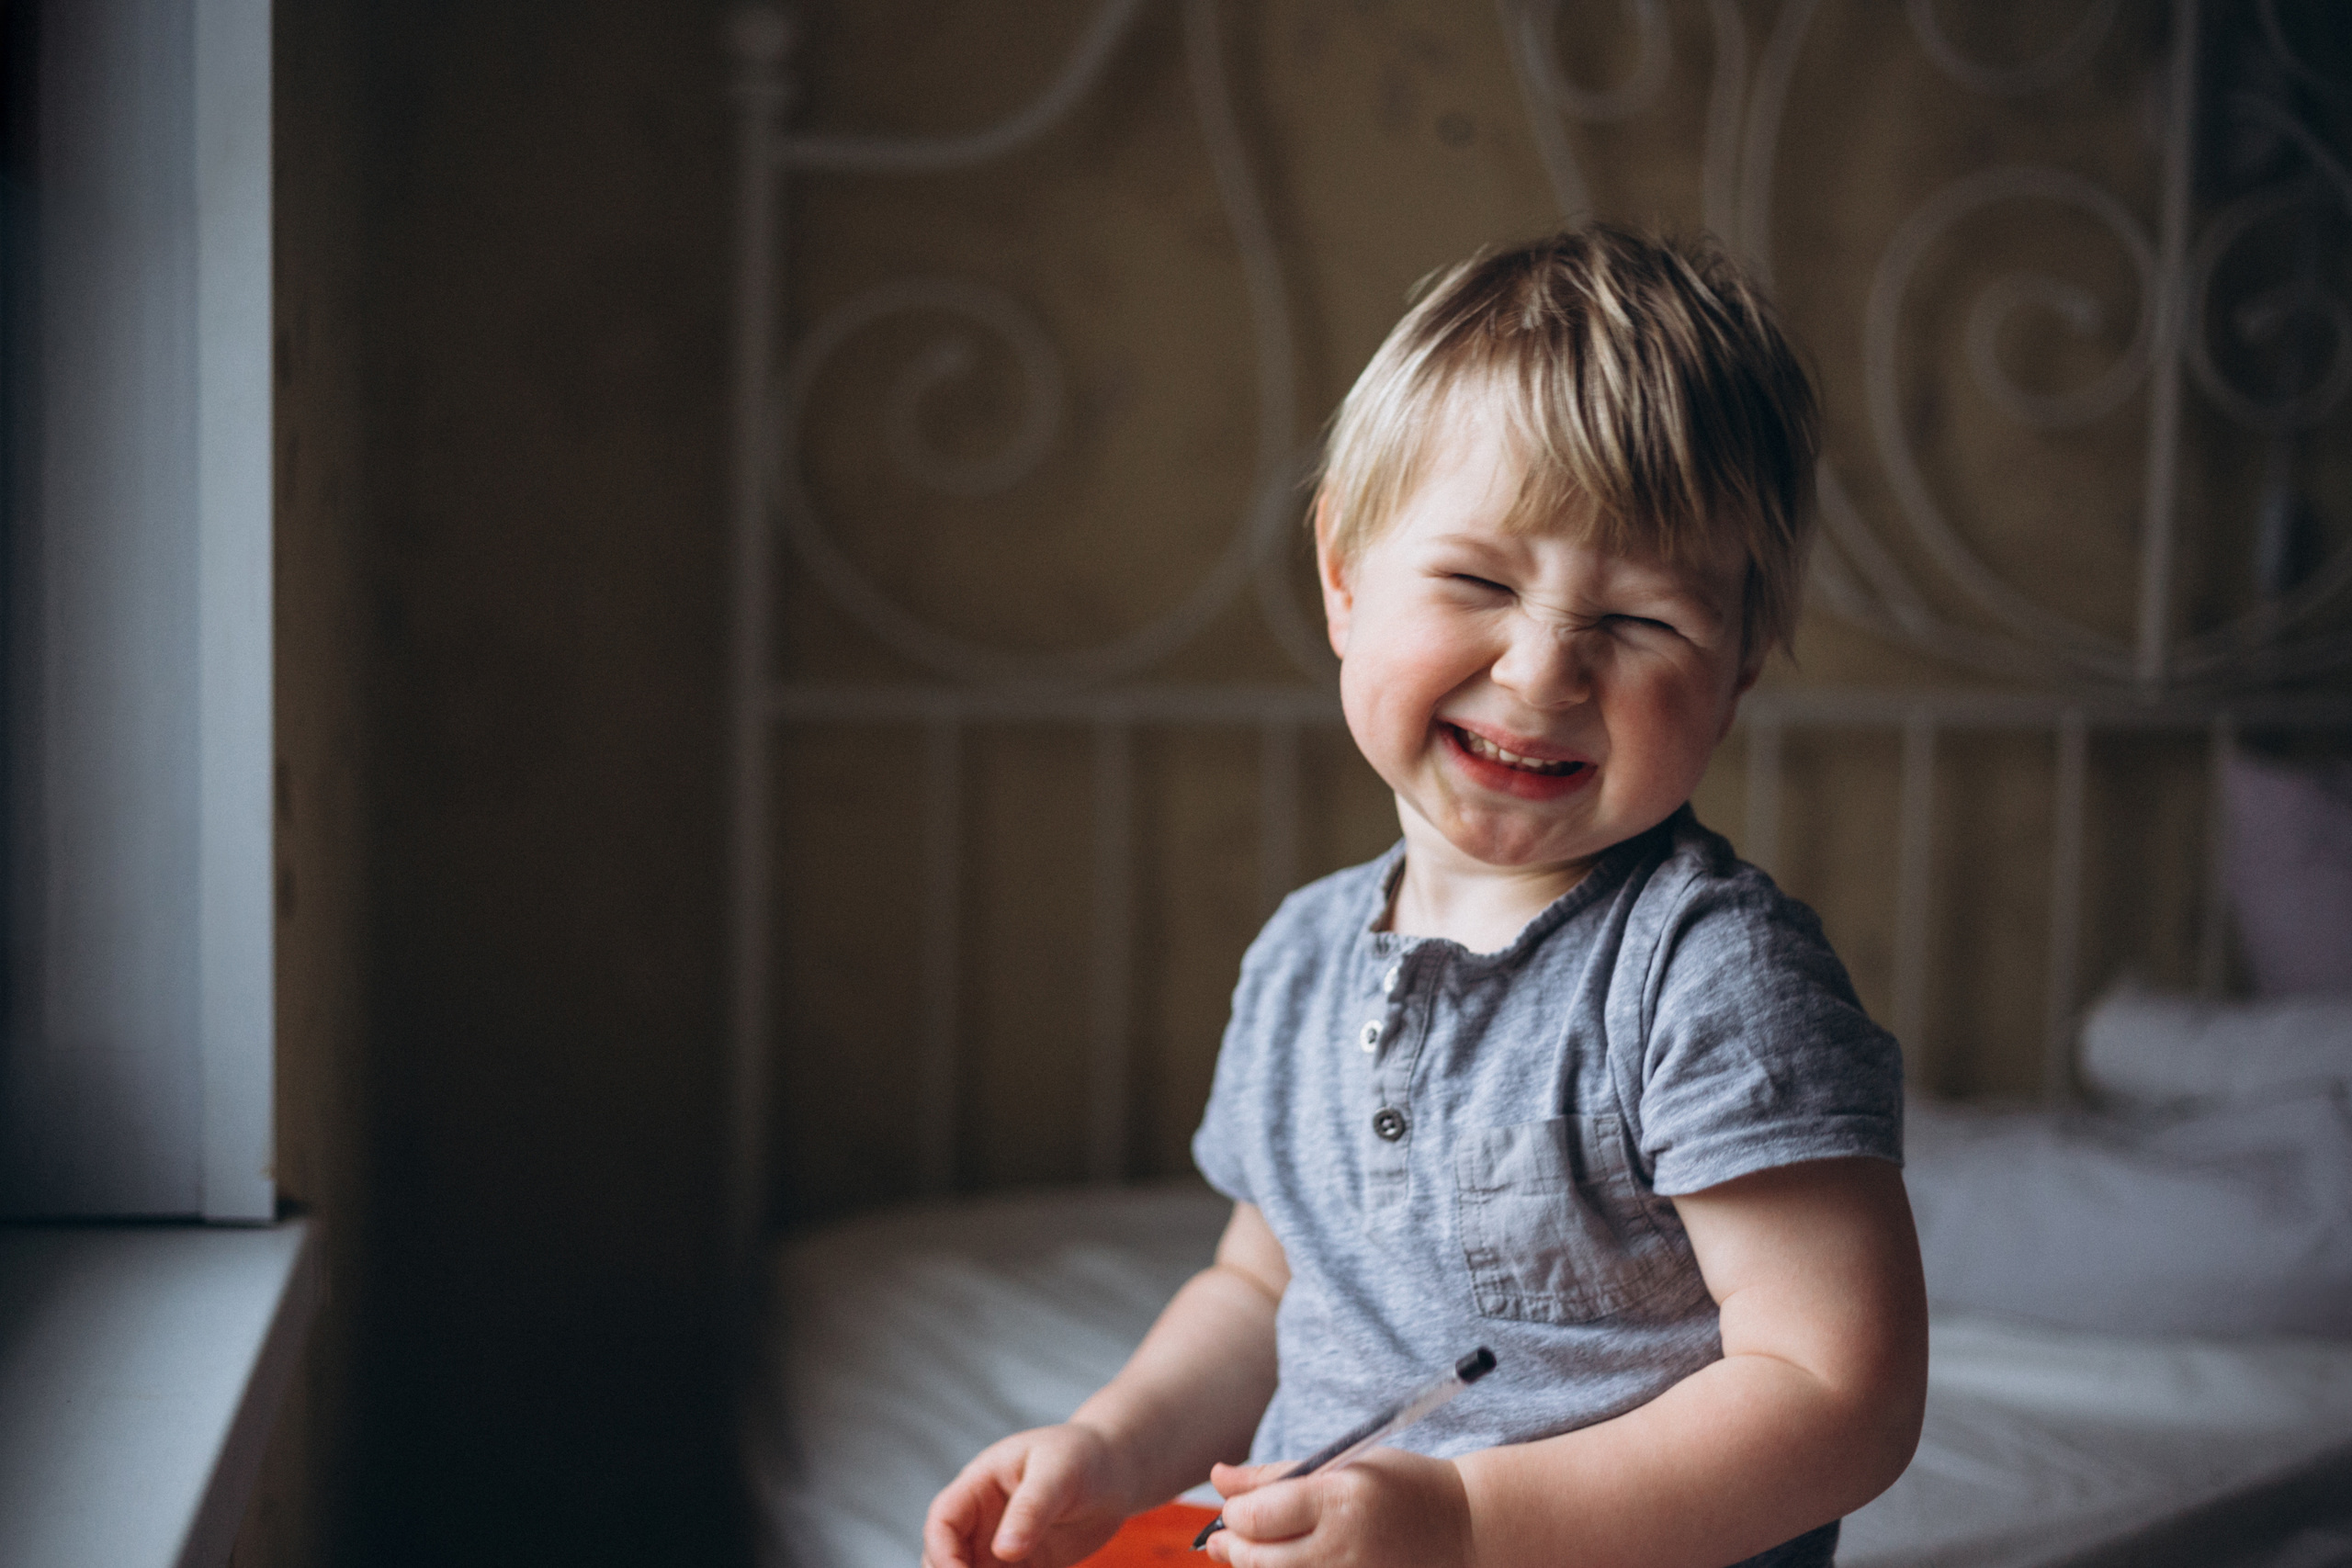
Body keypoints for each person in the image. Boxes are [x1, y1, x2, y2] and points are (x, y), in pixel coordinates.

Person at [921, 225, 1928, 1568]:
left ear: (1740, 662)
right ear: (1343, 573)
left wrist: (1468, 1520)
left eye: (1640, 623)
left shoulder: (1709, 979)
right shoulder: (1302, 962)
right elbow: (1257, 1290)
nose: (1544, 672)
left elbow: (1838, 1397)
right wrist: (1107, 1450)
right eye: (1477, 580)